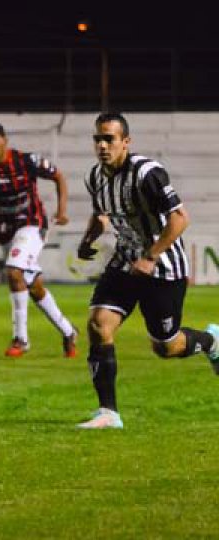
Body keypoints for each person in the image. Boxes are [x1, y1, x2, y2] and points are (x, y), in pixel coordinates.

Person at [76, 112, 219, 429]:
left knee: (166, 347)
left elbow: (180, 218)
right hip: (126, 262)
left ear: (125, 142)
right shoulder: (94, 177)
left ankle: (211, 342)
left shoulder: (147, 173)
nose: (102, 145)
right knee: (99, 325)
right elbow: (102, 214)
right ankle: (108, 413)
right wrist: (88, 239)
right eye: (98, 139)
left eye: (109, 139)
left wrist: (151, 256)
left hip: (163, 268)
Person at [0, 122, 78, 357]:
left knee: (13, 272)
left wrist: (61, 211)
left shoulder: (26, 161)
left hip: (32, 225)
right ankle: (68, 330)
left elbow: (58, 176)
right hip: (5, 231)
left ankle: (21, 339)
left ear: (4, 140)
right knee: (33, 286)